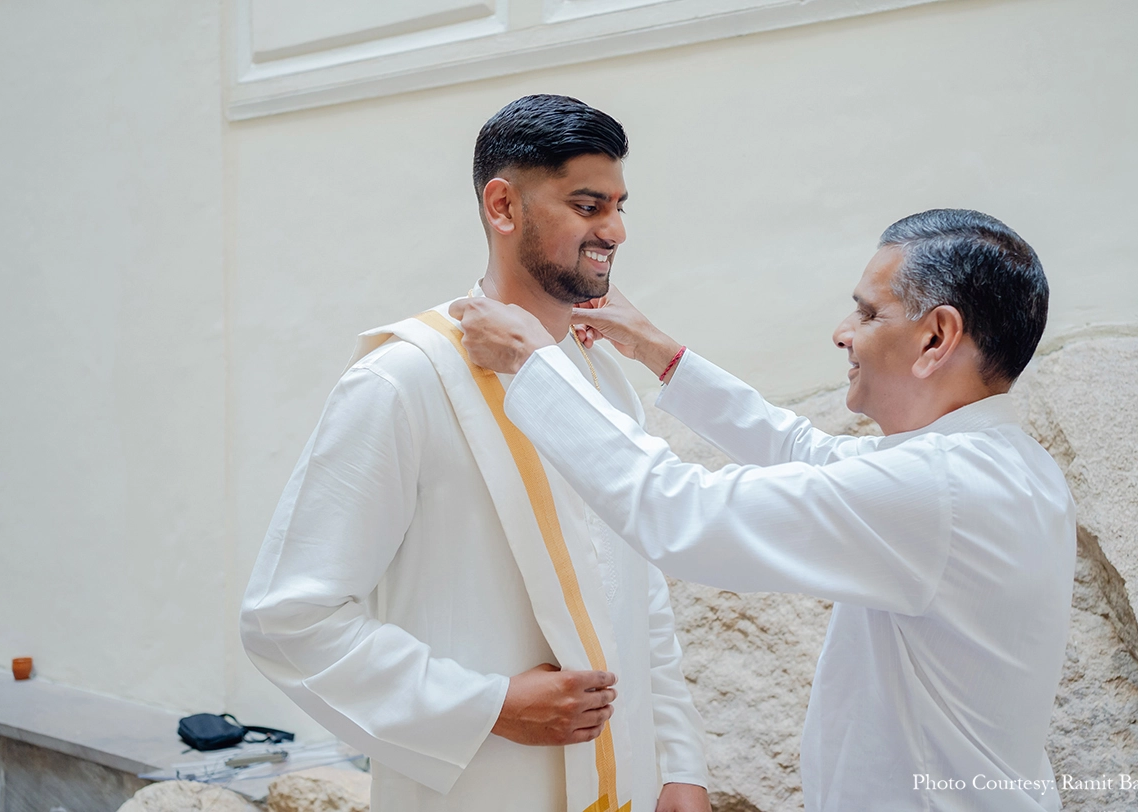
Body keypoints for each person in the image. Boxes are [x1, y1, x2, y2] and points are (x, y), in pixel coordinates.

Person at [450, 209, 1076, 812]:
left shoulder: (938, 489)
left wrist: (536, 367)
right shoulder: (1003, 464)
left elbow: (677, 512)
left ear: (936, 337)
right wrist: (659, 352)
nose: (843, 333)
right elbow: (804, 452)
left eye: (867, 311)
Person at [240, 95, 709, 812]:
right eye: (587, 206)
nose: (613, 230)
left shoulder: (605, 378)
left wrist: (679, 764)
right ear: (502, 206)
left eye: (617, 205)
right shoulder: (404, 380)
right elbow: (289, 619)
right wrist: (488, 706)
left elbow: (639, 593)